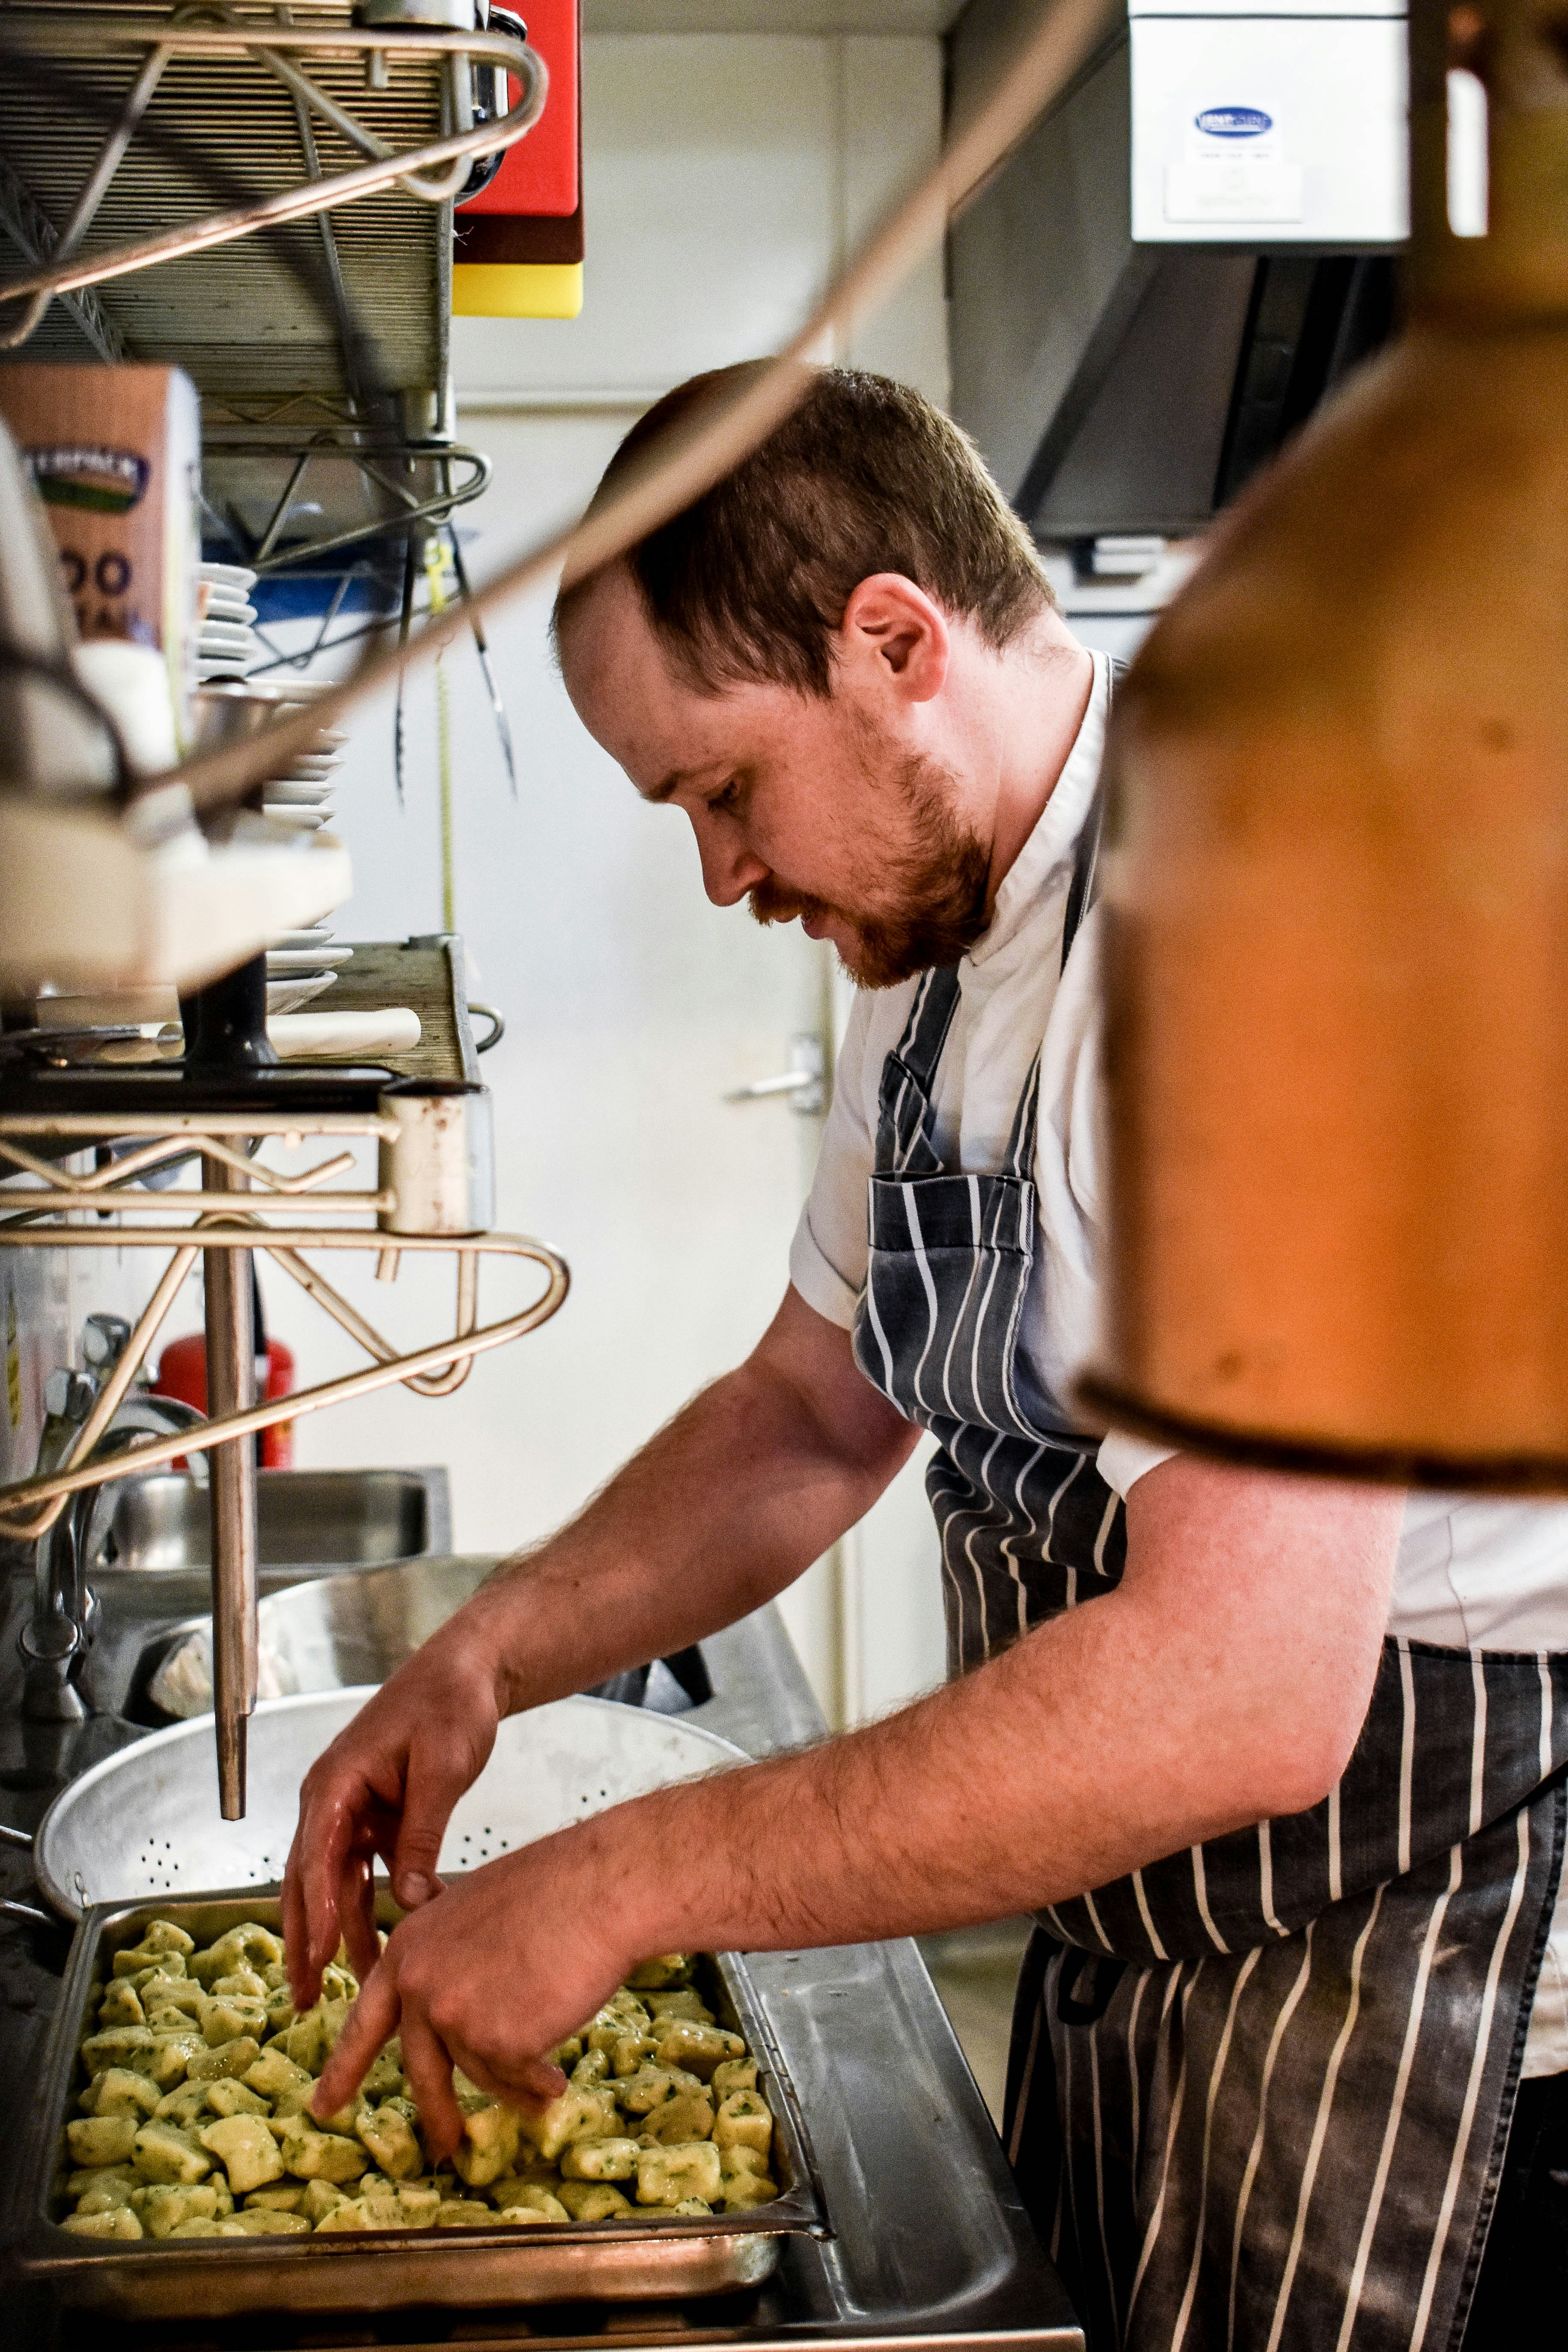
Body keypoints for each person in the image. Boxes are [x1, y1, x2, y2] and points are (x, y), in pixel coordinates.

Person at [285, 365, 1568, 2348]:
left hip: (1428, 1965)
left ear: (893, 641)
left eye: (721, 787)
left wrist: (628, 1880)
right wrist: (495, 1648)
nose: (722, 874)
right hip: (1158, 1923)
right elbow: (814, 1412)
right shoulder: (942, 946)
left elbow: (1241, 1690)